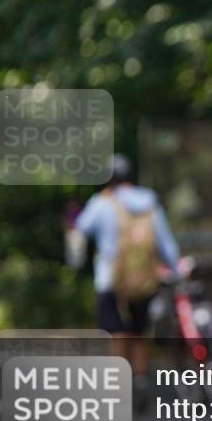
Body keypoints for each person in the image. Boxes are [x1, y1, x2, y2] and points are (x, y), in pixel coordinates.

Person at [67, 153, 181, 407]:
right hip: (145, 281)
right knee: (140, 332)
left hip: (110, 281)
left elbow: (80, 231)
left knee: (117, 333)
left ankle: (119, 385)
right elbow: (165, 244)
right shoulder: (149, 201)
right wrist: (175, 268)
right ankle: (140, 378)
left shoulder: (101, 202)